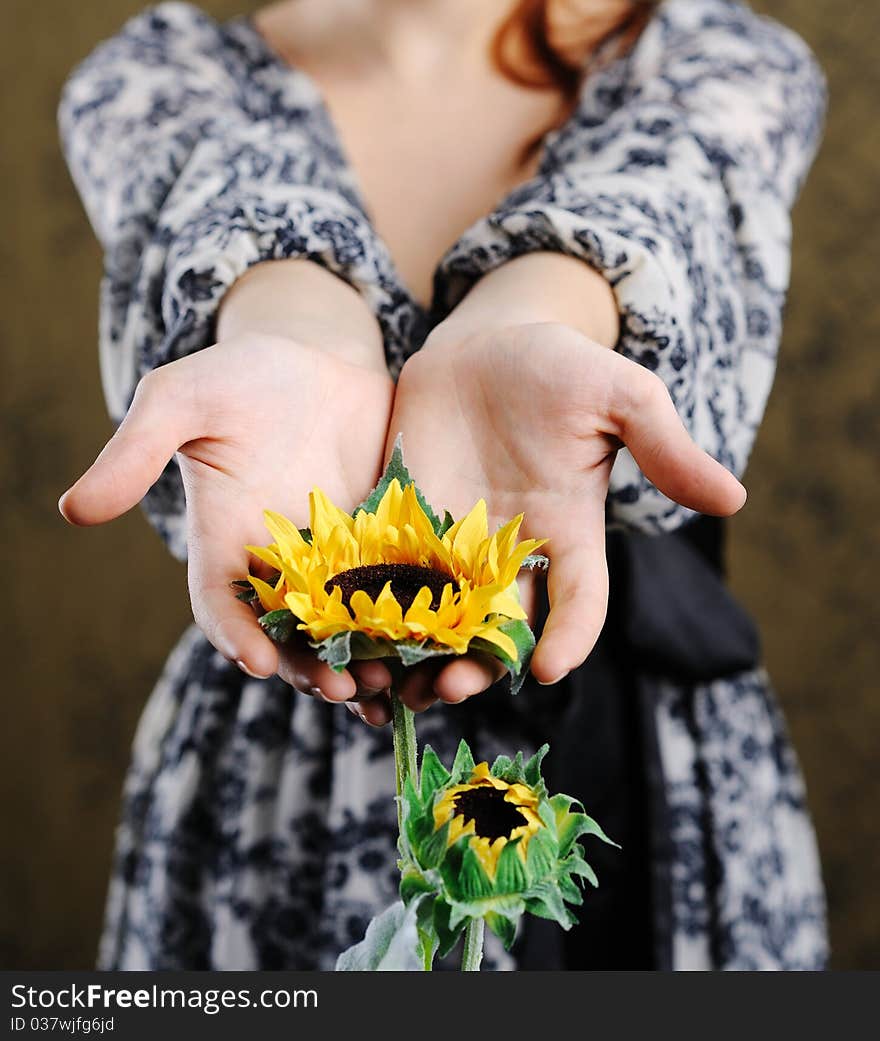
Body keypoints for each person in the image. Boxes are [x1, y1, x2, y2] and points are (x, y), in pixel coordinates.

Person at [58, 0, 828, 969]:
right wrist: (289, 329)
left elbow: (663, 196)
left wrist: (540, 316)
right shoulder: (161, 76)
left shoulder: (720, 62)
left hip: (651, 765)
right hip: (295, 748)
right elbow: (231, 198)